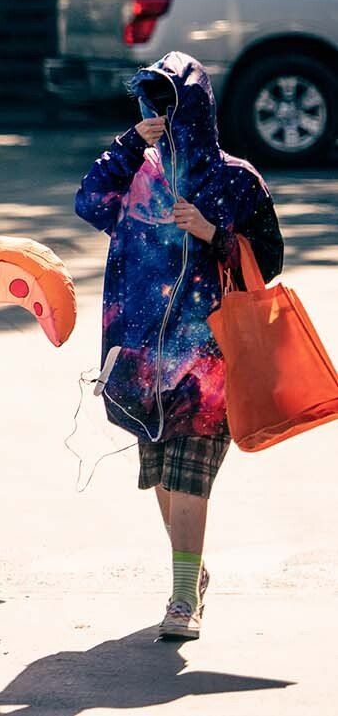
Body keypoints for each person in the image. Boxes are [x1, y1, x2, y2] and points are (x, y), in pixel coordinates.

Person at [75, 51, 282, 641]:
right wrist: (124, 144)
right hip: (139, 353)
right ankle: (193, 575)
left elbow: (268, 258)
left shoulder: (235, 178)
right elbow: (88, 203)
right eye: (151, 104)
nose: (160, 116)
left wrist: (213, 233)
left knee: (192, 474)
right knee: (161, 476)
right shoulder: (133, 173)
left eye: (171, 104)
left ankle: (182, 599)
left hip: (208, 355)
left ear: (197, 109)